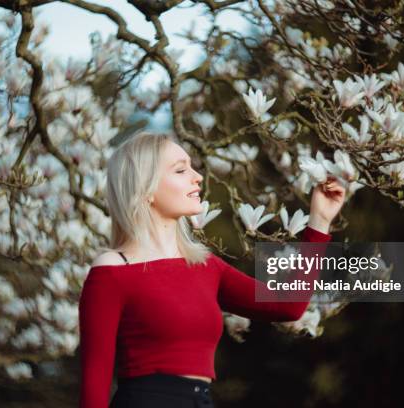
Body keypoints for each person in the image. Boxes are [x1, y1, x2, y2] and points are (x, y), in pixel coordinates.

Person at [79, 132, 346, 407]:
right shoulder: (113, 270)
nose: (197, 177)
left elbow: (288, 305)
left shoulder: (205, 265)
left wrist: (319, 222)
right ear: (145, 190)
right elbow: (94, 379)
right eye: (181, 170)